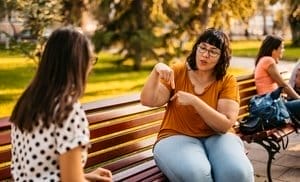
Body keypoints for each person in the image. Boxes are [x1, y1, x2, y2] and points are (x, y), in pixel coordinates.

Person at [140, 28, 254, 182]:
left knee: (238, 173)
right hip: (175, 136)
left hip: (217, 136)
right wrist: (156, 70)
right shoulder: (178, 72)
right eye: (203, 48)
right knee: (197, 174)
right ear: (196, 48)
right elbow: (148, 101)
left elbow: (224, 124)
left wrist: (195, 101)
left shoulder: (227, 80)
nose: (205, 54)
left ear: (222, 57)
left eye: (213, 51)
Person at [9, 27, 113, 182]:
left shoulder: (25, 103)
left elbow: (40, 172)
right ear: (79, 63)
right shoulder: (68, 110)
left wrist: (86, 177)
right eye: (90, 60)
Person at [254, 35, 300, 121]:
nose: (283, 50)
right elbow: (283, 85)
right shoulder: (268, 61)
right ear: (273, 50)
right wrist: (298, 98)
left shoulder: (263, 60)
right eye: (281, 48)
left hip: (274, 106)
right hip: (273, 108)